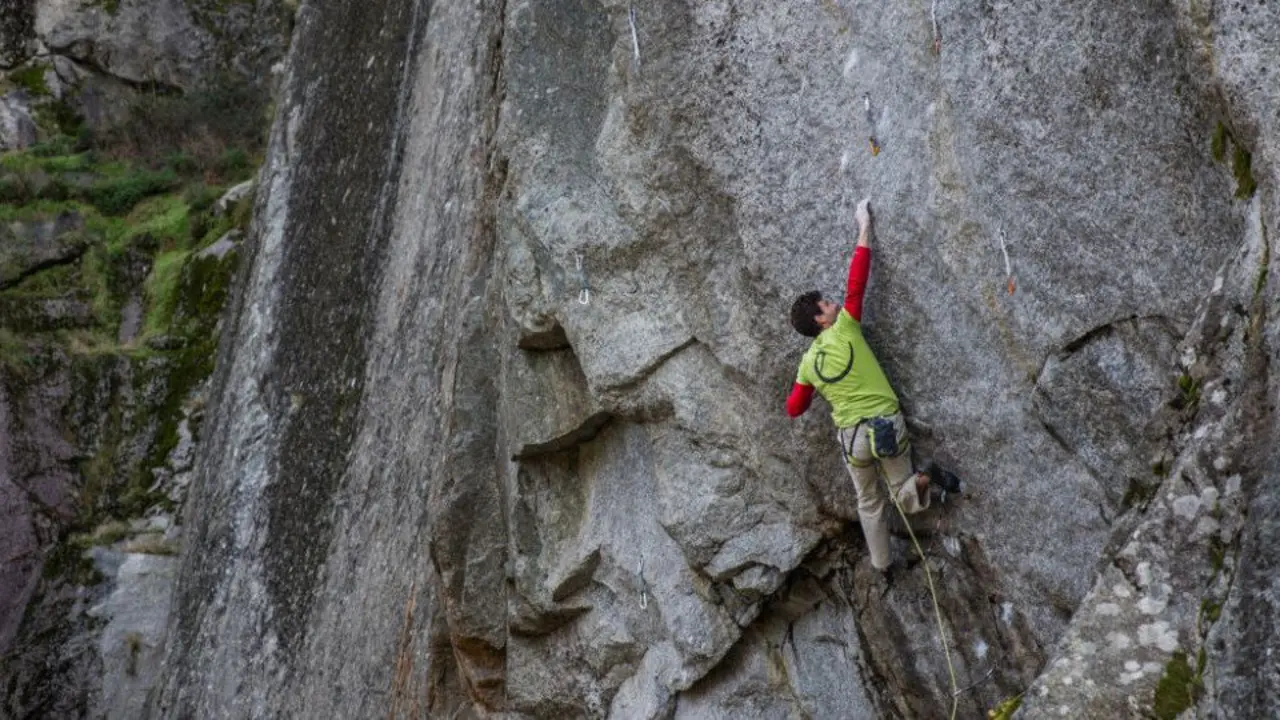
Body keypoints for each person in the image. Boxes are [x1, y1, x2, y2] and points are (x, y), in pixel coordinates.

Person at [786, 199, 959, 574]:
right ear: (820, 319)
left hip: (852, 440)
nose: (833, 304)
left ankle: (881, 563)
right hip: (884, 426)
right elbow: (858, 280)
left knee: (868, 501)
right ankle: (930, 478)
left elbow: (794, 408)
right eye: (826, 304)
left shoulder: (807, 363)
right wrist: (864, 225)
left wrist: (819, 387)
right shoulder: (846, 326)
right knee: (902, 492)